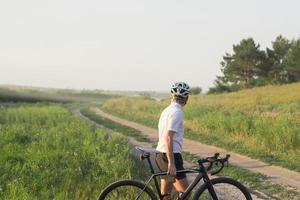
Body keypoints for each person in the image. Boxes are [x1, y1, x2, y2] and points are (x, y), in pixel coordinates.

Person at [155, 82, 190, 200]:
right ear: (186, 98)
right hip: (170, 155)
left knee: (165, 195)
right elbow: (168, 137)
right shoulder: (177, 112)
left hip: (160, 153)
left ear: (172, 97)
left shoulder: (166, 110)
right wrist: (171, 162)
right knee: (186, 192)